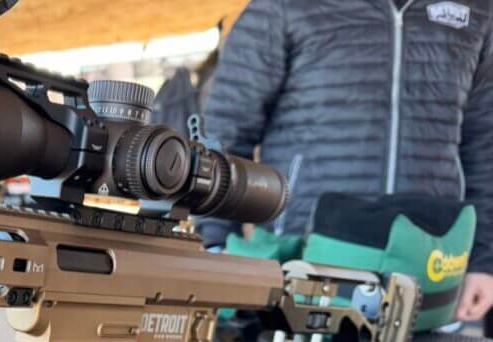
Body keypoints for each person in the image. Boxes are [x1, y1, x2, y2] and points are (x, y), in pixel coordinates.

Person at [204, 0, 493, 323]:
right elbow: (226, 130)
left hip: (431, 268)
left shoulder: (479, 10)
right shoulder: (282, 6)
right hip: (305, 264)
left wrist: (484, 262)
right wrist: (215, 244)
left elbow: (484, 141)